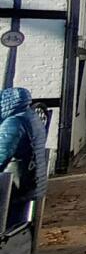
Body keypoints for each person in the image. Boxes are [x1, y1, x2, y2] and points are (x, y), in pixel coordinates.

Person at [0, 88, 48, 229]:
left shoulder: (13, 123)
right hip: (34, 181)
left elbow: (2, 155)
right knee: (20, 229)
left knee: (9, 228)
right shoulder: (31, 116)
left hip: (16, 187)